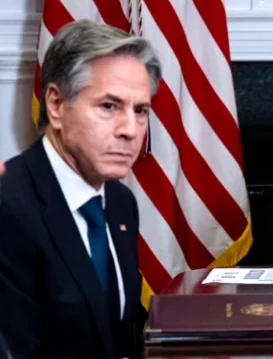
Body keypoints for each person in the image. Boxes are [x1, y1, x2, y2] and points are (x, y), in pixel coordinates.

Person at [0, 20, 161, 358]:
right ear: (57, 106)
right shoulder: (8, 207)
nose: (131, 130)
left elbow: (116, 334)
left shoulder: (120, 202)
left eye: (140, 110)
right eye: (108, 106)